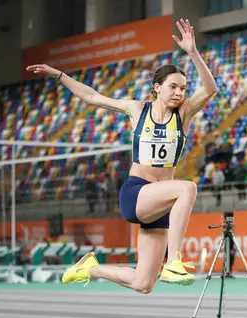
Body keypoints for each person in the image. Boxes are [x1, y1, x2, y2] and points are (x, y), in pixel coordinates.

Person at [26, 18, 217, 294]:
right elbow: (92, 97)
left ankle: (88, 268)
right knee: (188, 188)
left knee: (143, 283)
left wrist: (193, 53)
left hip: (161, 204)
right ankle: (174, 262)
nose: (179, 93)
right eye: (173, 87)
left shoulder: (184, 115)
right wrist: (58, 75)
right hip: (137, 194)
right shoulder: (137, 110)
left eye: (183, 89)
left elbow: (210, 89)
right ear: (157, 88)